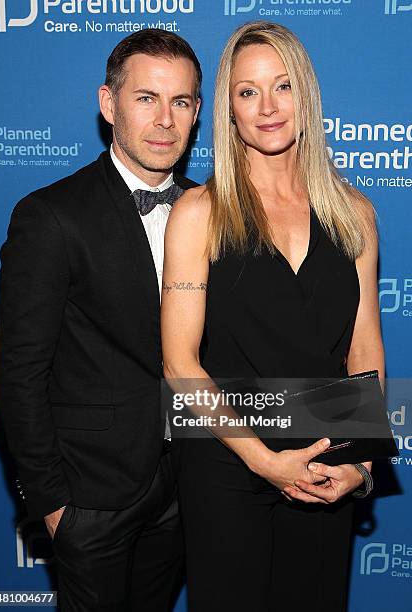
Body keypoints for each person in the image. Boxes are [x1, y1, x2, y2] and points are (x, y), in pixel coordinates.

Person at [161, 21, 382, 612]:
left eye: (281, 86)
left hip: (322, 460)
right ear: (228, 110)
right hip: (228, 462)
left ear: (305, 96)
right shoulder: (200, 212)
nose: (267, 107)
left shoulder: (354, 214)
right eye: (247, 91)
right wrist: (264, 460)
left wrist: (359, 462)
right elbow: (180, 363)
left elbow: (363, 351)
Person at [0, 29, 201, 611]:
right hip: (92, 496)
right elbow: (19, 372)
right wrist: (53, 503)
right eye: (146, 98)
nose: (164, 120)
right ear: (109, 105)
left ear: (196, 114)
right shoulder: (51, 215)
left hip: (187, 484)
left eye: (180, 102)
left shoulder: (210, 210)